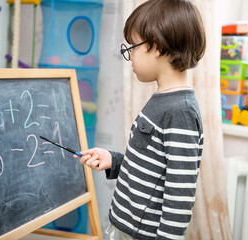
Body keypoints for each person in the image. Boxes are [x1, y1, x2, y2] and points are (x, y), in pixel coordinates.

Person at [75, 0, 206, 239]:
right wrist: (113, 161)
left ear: (155, 46)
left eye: (133, 47)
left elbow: (179, 194)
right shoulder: (163, 99)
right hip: (126, 228)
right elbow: (153, 166)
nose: (130, 54)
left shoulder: (181, 111)